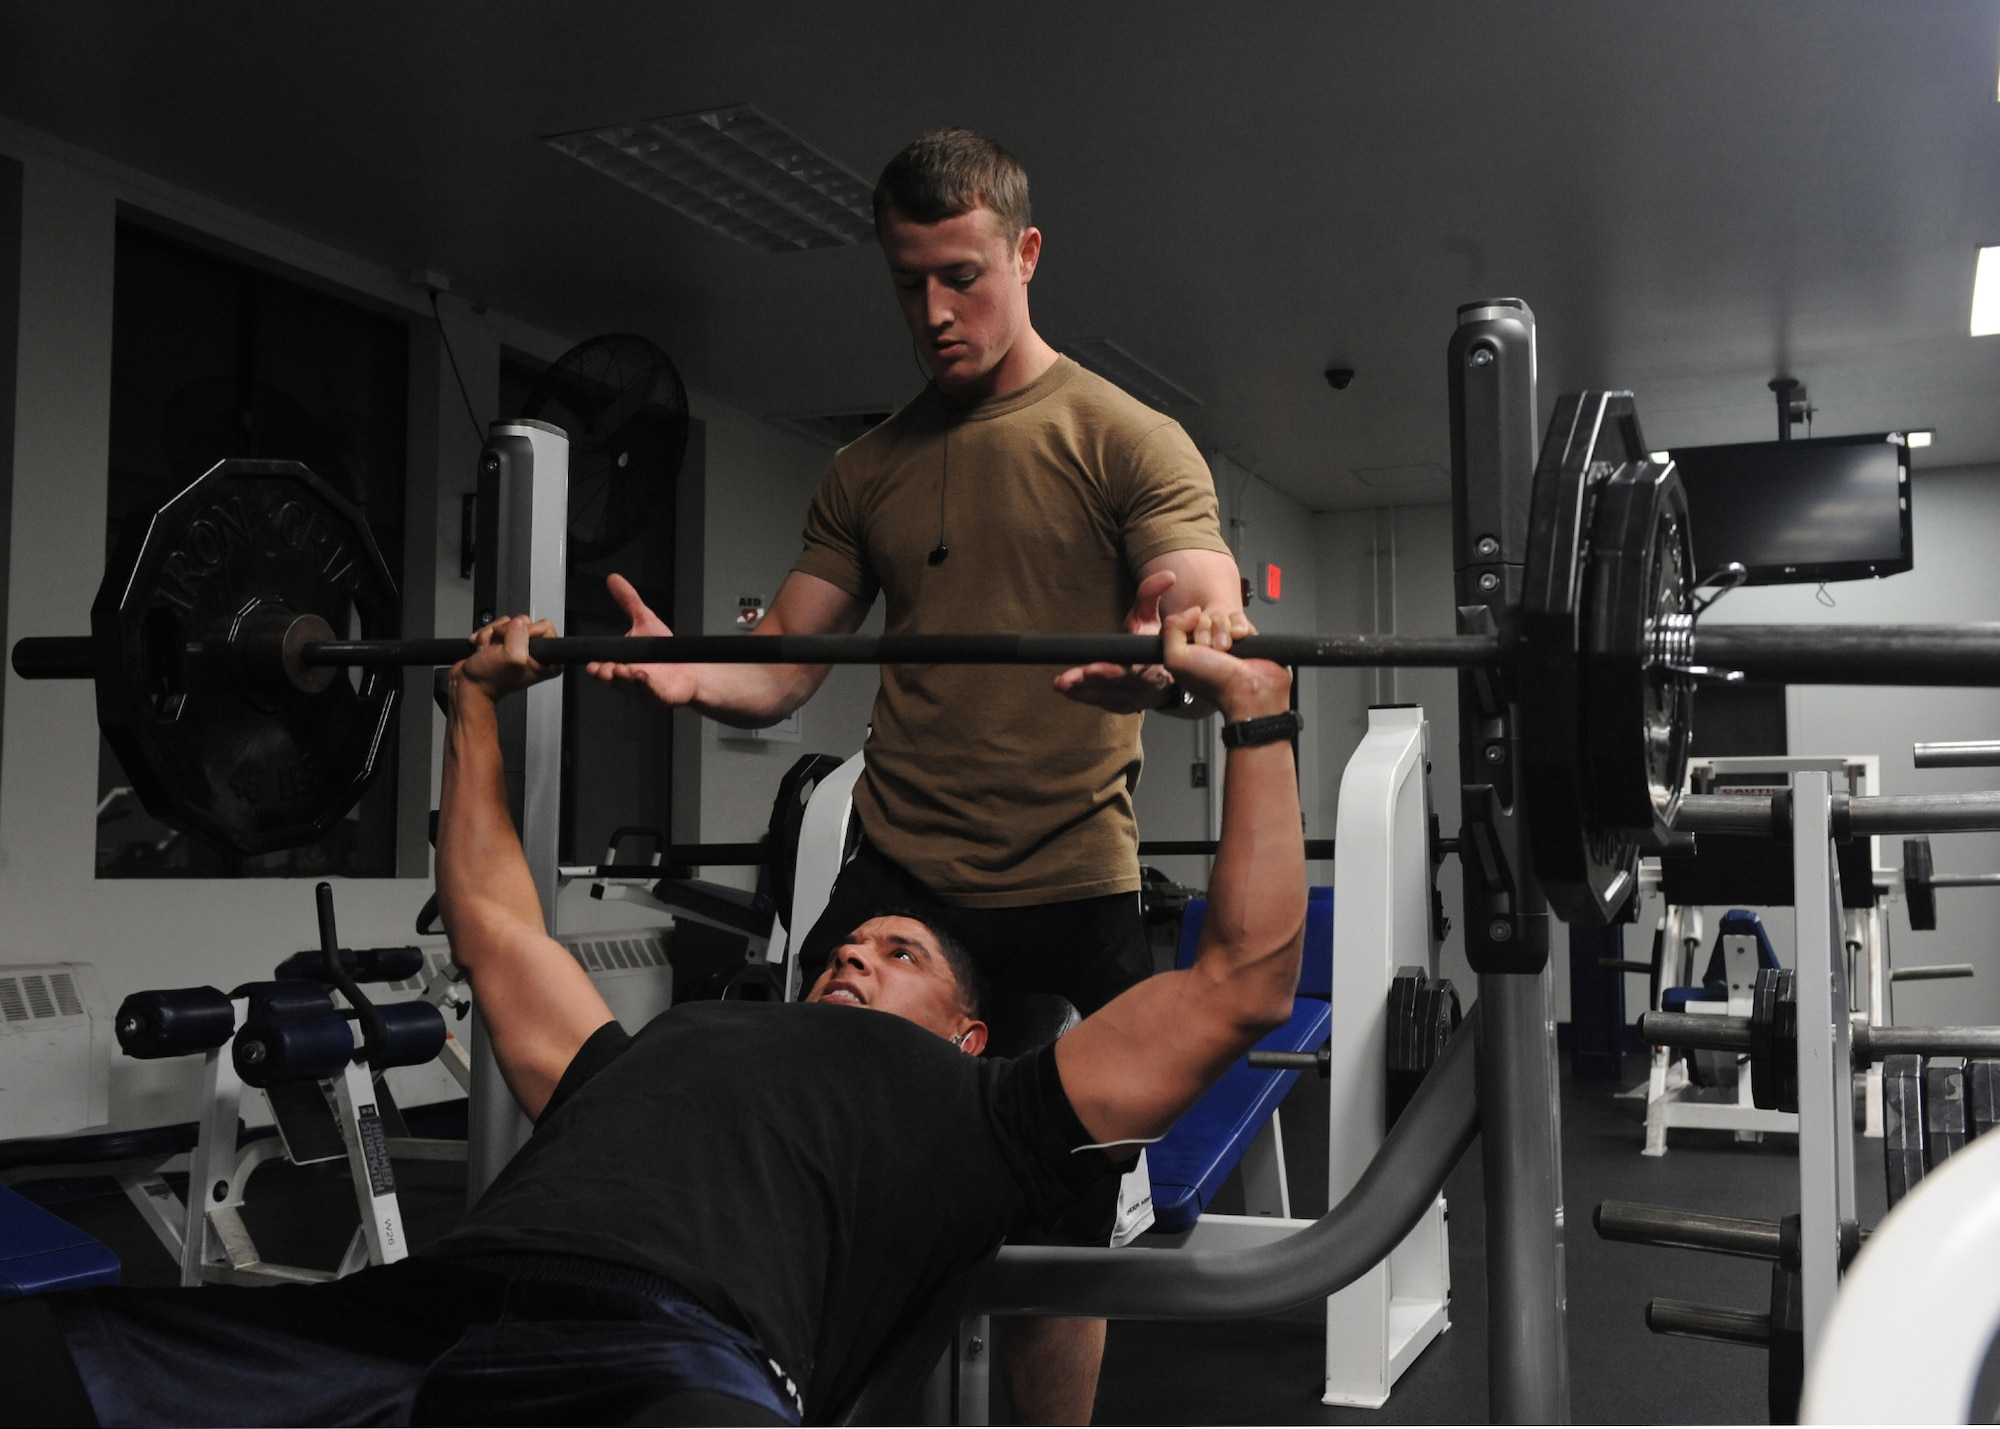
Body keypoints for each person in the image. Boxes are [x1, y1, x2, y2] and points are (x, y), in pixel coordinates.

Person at [0, 608, 1303, 1429]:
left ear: (968, 1029)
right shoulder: (649, 1051)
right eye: (847, 946)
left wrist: (1258, 717)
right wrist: (469, 707)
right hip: (431, 1314)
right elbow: (498, 926)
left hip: (680, 1357)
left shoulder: (988, 1108)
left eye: (898, 953)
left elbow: (1242, 978)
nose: (852, 957)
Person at [586, 128, 1250, 1419]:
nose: (935, 312)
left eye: (962, 276)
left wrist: (1170, 650)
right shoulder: (868, 469)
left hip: (1071, 885)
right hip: (903, 878)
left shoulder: (1127, 436)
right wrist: (692, 675)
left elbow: (1196, 595)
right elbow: (785, 665)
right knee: (813, 1169)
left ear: (1026, 253)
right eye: (908, 283)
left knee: (1064, 1235)